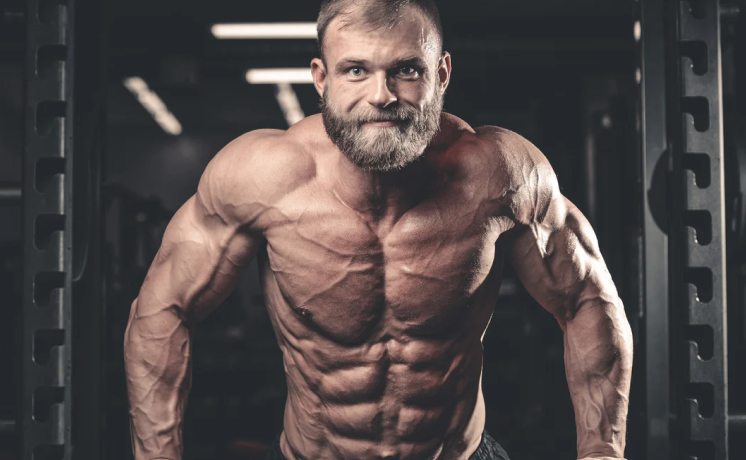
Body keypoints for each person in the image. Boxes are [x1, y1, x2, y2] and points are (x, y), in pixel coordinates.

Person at [123, 1, 634, 459]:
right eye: (355, 71)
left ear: (442, 72)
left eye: (406, 70)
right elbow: (161, 310)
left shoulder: (501, 174)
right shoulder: (262, 177)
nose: (381, 96)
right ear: (321, 78)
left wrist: (602, 451)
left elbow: (588, 300)